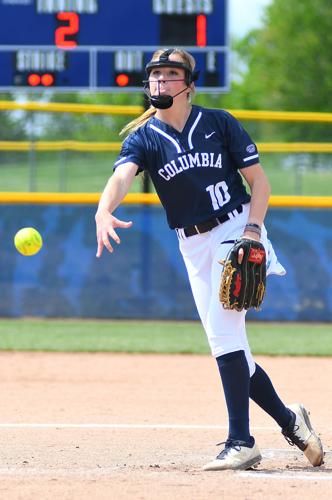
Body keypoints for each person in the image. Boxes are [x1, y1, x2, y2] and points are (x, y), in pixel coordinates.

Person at [95, 48, 324, 471]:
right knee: (234, 349)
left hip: (237, 229)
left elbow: (260, 184)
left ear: (189, 83)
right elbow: (121, 176)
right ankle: (293, 422)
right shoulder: (143, 138)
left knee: (224, 337)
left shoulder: (218, 123)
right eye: (155, 76)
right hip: (193, 246)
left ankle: (242, 440)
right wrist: (103, 208)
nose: (160, 83)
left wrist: (254, 230)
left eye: (170, 74)